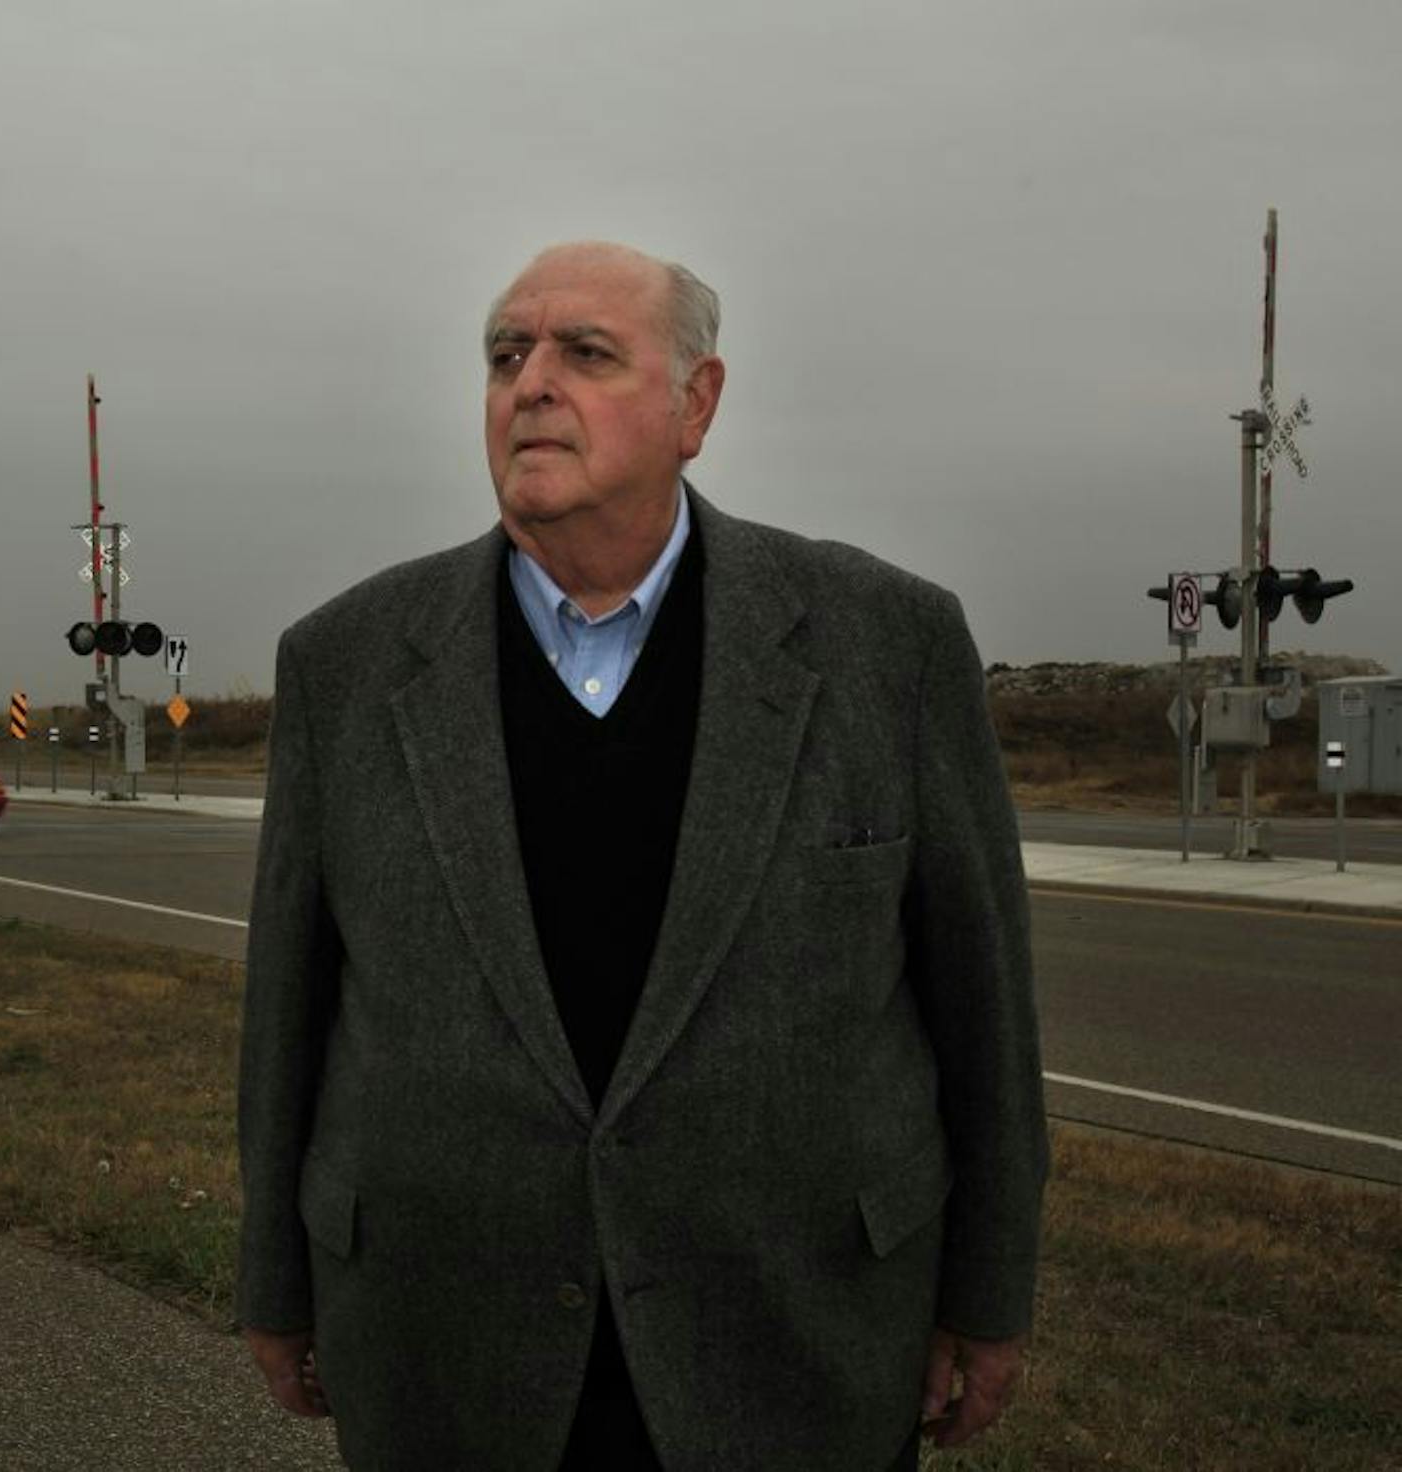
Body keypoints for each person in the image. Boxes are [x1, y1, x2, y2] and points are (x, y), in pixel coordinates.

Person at [236, 241, 1048, 1470]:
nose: (532, 383)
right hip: (446, 1343)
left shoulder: (890, 646)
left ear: (697, 404)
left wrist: (987, 1297)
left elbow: (983, 1009)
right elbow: (288, 1011)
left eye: (587, 352)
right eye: (507, 355)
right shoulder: (347, 664)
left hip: (798, 1340)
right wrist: (275, 1278)